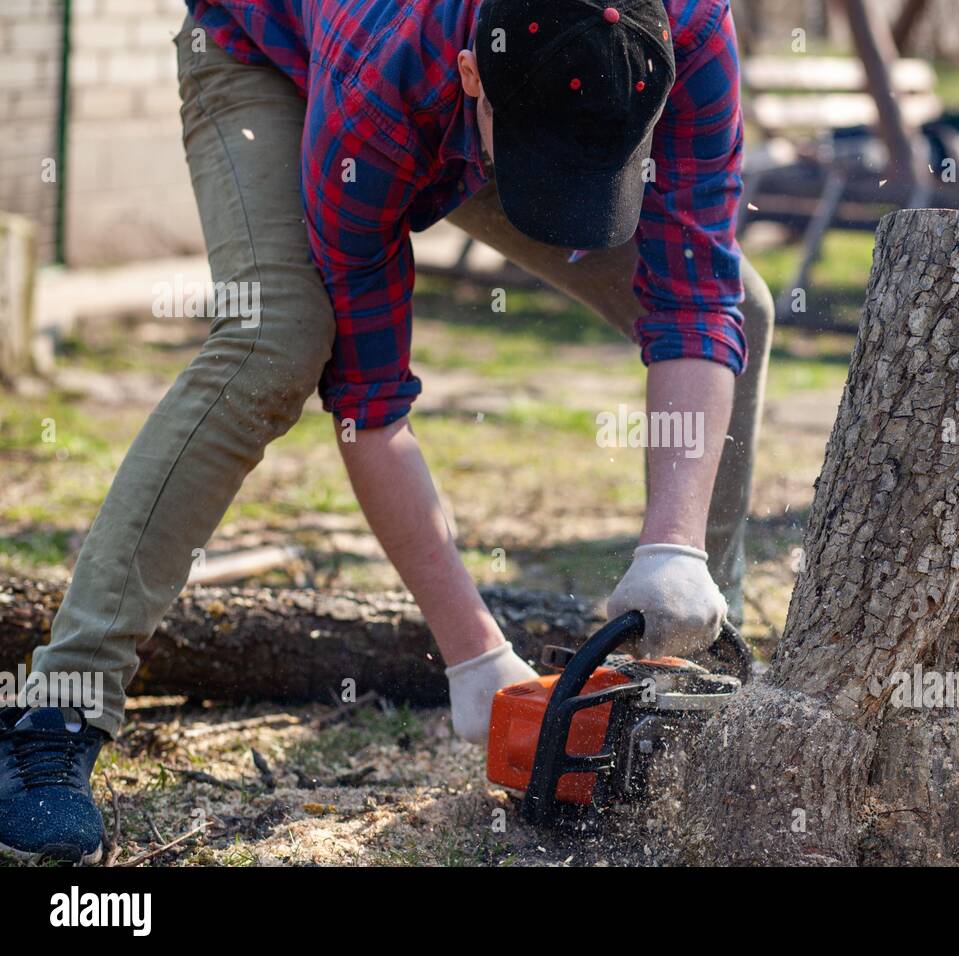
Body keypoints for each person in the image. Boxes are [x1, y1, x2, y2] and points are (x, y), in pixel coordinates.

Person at [0, 0, 772, 864]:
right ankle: (58, 707)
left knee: (741, 304)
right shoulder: (381, 74)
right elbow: (370, 400)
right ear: (474, 78)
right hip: (271, 55)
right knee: (277, 338)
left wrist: (673, 552)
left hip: (483, 101)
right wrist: (476, 658)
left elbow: (697, 297)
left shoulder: (694, 24)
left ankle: (689, 666)